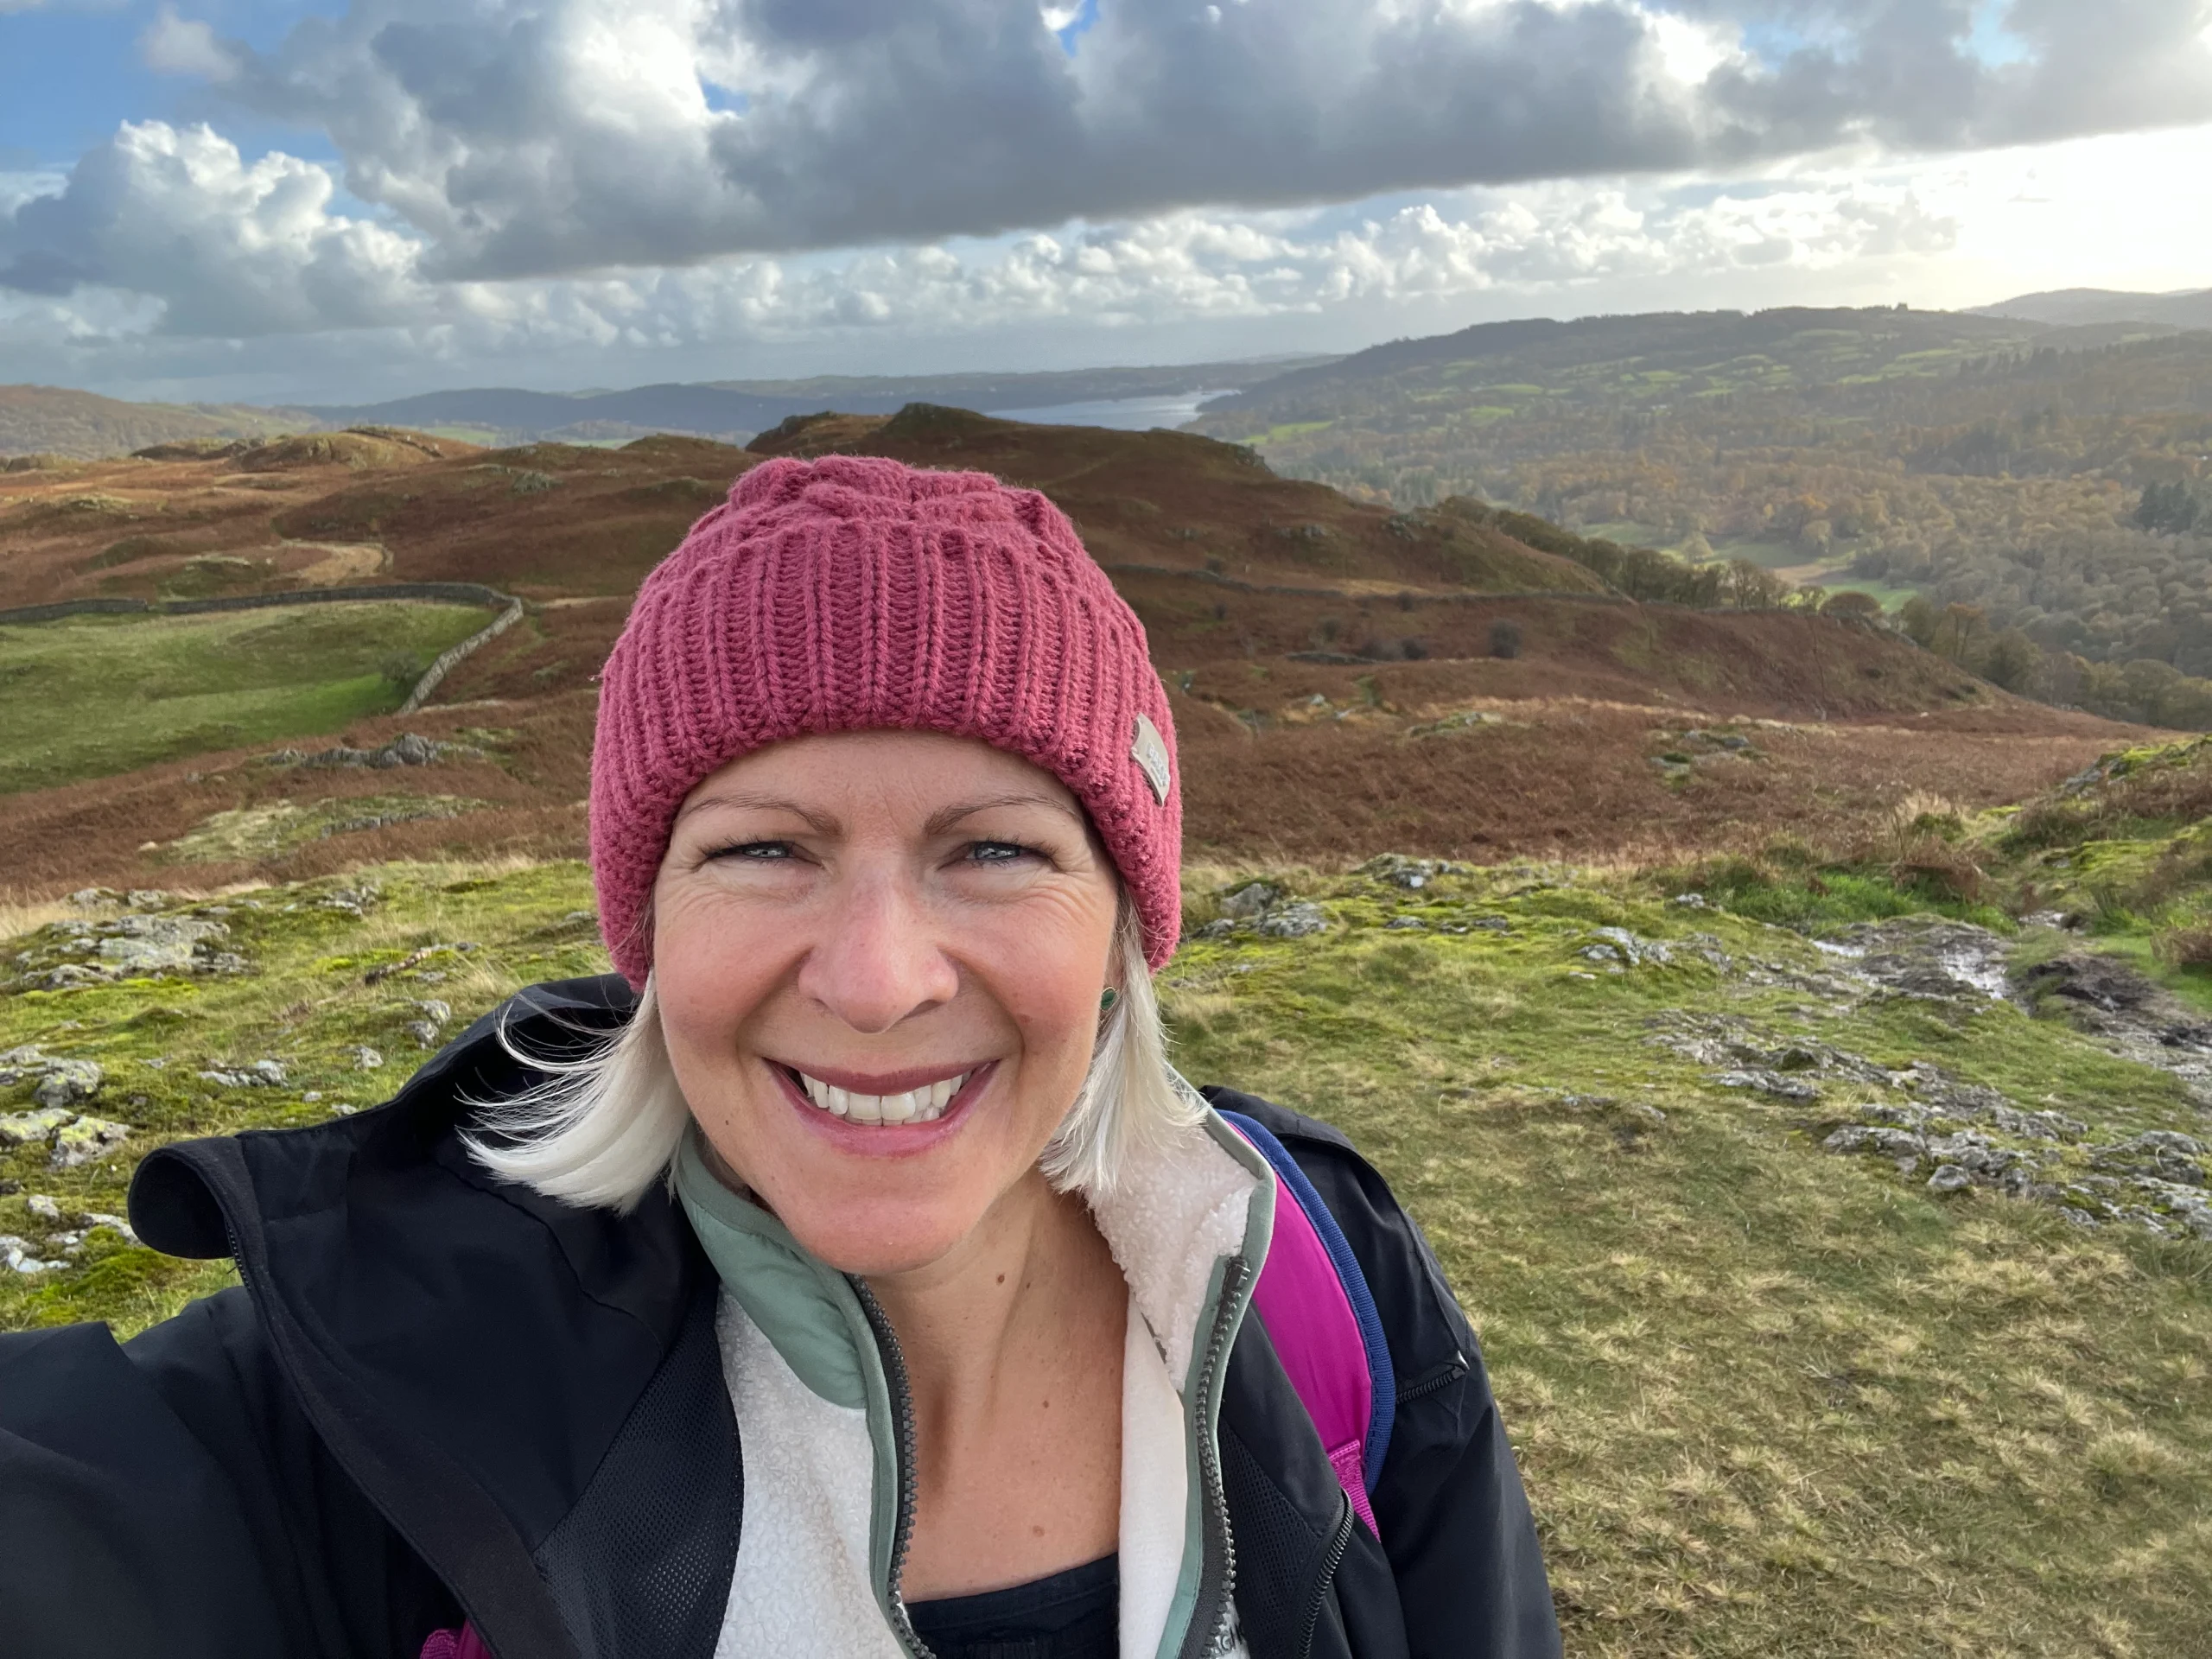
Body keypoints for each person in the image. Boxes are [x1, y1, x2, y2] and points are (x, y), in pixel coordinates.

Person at [0, 454, 1560, 1659]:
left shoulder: (1320, 1271)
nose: (877, 982)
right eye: (762, 851)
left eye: (996, 853)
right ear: (651, 921)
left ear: (1123, 933)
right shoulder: (374, 1388)